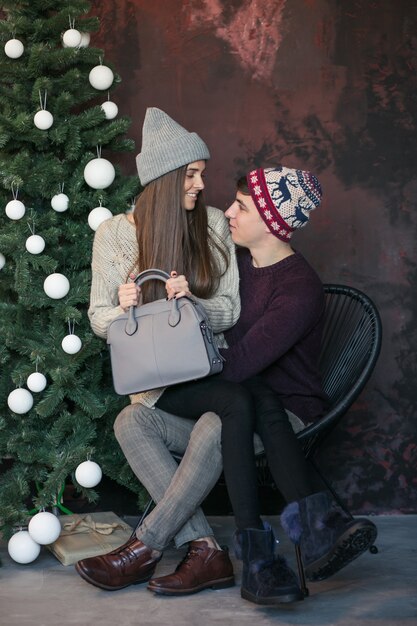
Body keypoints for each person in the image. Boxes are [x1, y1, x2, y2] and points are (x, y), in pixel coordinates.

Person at [150, 165, 378, 605]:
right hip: (231, 390)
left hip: (282, 403)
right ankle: (313, 525)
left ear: (273, 222)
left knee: (247, 393)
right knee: (245, 394)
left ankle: (258, 553)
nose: (228, 213)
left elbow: (241, 365)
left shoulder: (298, 286)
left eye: (242, 206)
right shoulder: (235, 267)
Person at [75, 107, 240, 593]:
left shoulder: (212, 225)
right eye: (191, 174)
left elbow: (231, 309)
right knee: (129, 420)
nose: (200, 184)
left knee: (215, 426)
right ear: (167, 179)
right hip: (156, 394)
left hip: (214, 389)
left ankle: (142, 548)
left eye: (201, 174)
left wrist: (194, 303)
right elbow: (97, 318)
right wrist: (120, 309)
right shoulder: (114, 235)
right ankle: (207, 550)